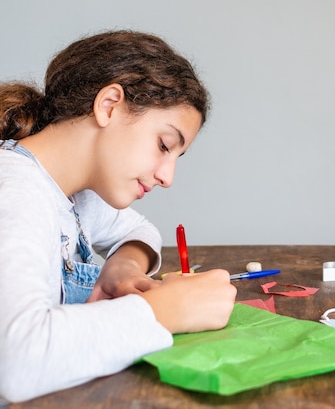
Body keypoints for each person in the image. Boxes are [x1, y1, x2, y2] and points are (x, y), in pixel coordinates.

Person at [0, 29, 236, 403]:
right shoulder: (13, 192)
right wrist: (163, 312)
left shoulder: (76, 194)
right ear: (109, 105)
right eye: (164, 145)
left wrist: (124, 266)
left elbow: (139, 231)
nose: (167, 177)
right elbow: (16, 361)